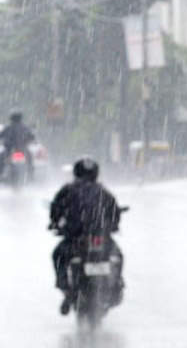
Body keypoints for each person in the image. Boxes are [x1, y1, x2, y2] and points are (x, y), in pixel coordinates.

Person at [49, 158, 123, 315]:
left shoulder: (67, 190)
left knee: (58, 255)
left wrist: (56, 223)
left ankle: (65, 287)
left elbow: (55, 210)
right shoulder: (103, 192)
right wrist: (112, 226)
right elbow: (115, 213)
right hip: (100, 239)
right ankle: (117, 283)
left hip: (75, 239)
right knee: (118, 256)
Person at [0, 110, 35, 178]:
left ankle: (1, 173)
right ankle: (31, 174)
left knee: (1, 158)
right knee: (30, 158)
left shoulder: (8, 127)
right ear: (20, 118)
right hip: (22, 149)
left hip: (10, 149)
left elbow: (1, 135)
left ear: (11, 118)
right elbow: (32, 136)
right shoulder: (25, 127)